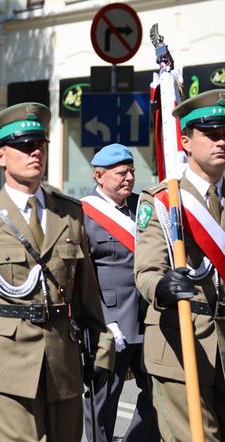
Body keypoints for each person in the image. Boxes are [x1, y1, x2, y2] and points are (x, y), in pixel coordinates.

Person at [0, 102, 114, 441]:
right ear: (0, 156)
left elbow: (88, 296)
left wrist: (102, 350)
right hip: (4, 362)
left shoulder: (70, 214)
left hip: (62, 363)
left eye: (39, 145)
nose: (35, 153)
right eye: (24, 146)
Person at [134, 89, 225, 441]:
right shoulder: (163, 200)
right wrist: (162, 286)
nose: (221, 141)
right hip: (183, 340)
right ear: (185, 141)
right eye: (212, 134)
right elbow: (146, 269)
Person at [81, 144, 160, 441]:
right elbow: (82, 277)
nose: (129, 178)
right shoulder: (83, 214)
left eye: (131, 171)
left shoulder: (143, 207)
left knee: (159, 394)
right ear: (99, 176)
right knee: (103, 399)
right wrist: (101, 319)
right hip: (111, 323)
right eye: (121, 173)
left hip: (150, 319)